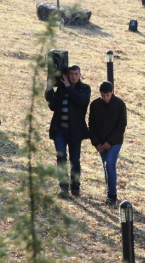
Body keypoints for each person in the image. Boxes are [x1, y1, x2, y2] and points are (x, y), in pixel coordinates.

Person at [45, 64, 91, 198]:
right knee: (61, 158)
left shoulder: (84, 89)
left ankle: (75, 188)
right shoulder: (61, 89)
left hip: (75, 131)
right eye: (71, 74)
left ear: (80, 75)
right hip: (60, 130)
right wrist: (49, 89)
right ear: (67, 75)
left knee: (75, 160)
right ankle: (63, 187)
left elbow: (81, 101)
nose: (74, 76)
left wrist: (69, 87)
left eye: (76, 74)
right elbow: (53, 106)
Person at [88, 81, 127, 206]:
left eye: (108, 95)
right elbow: (92, 125)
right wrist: (96, 143)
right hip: (100, 141)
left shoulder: (119, 104)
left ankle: (112, 195)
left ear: (112, 92)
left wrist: (109, 142)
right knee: (106, 165)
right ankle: (110, 191)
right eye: (103, 95)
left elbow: (121, 125)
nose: (105, 98)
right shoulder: (94, 105)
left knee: (110, 163)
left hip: (115, 142)